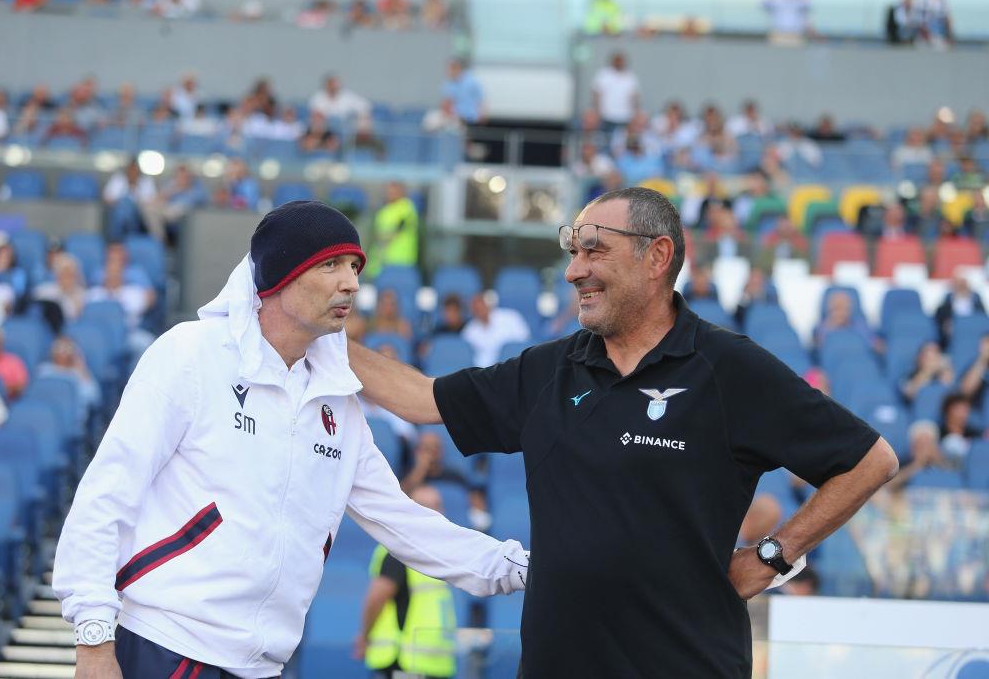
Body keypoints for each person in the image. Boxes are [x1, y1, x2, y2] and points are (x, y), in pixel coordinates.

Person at [348, 186, 898, 677]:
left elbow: (869, 460)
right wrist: (321, 340)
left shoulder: (728, 369)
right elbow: (422, 399)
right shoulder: (549, 371)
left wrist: (772, 557)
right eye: (573, 252)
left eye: (594, 250)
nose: (574, 271)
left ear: (656, 256)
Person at [53, 201, 527, 679]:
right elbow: (106, 495)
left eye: (355, 267)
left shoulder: (337, 398)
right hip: (166, 647)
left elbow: (405, 522)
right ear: (281, 275)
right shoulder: (190, 354)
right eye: (332, 264)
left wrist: (522, 568)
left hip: (264, 665)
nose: (352, 283)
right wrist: (94, 639)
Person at [356, 484, 457, 679]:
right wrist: (365, 636)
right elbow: (377, 597)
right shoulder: (398, 551)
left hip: (434, 665)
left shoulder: (437, 554)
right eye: (425, 506)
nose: (435, 513)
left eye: (437, 506)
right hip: (404, 663)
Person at [460, 293, 531, 368]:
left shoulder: (511, 317)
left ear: (486, 304)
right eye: (475, 308)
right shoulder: (469, 330)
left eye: (480, 305)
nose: (478, 309)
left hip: (514, 367)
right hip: (486, 371)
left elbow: (525, 342)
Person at [366, 181, 419, 279]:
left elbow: (399, 228)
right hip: (381, 261)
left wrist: (384, 238)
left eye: (394, 191)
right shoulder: (383, 211)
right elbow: (377, 234)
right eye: (389, 191)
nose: (390, 194)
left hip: (402, 259)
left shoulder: (407, 207)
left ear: (401, 192)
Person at [591, 51, 640, 135]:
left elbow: (635, 97)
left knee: (621, 140)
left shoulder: (630, 76)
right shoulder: (604, 74)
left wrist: (635, 114)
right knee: (605, 138)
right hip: (606, 115)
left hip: (625, 116)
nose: (619, 63)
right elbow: (597, 94)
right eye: (617, 60)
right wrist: (597, 111)